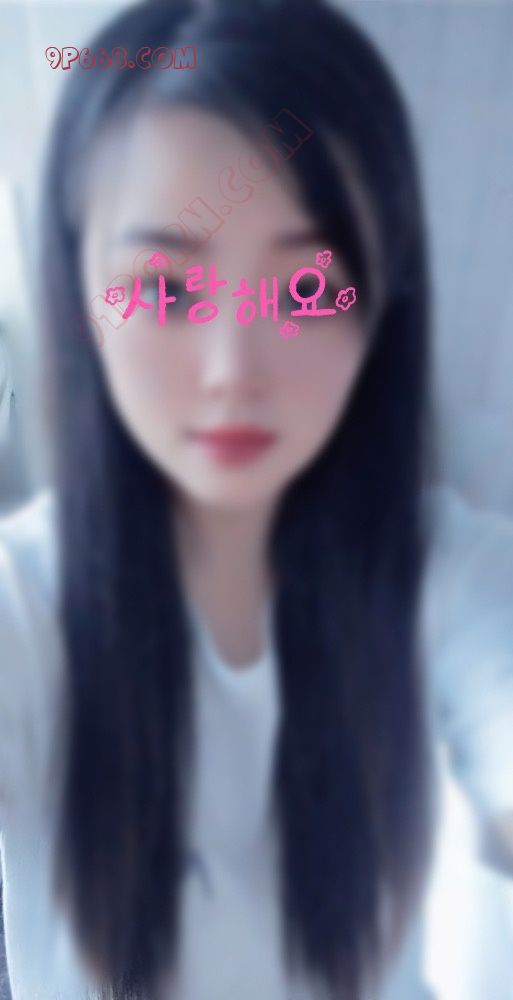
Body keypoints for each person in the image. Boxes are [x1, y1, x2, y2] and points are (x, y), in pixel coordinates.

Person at [0, 1, 512, 998]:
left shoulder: (450, 573)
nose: (233, 370)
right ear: (81, 293)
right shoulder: (27, 602)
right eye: (165, 291)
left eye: (307, 291)